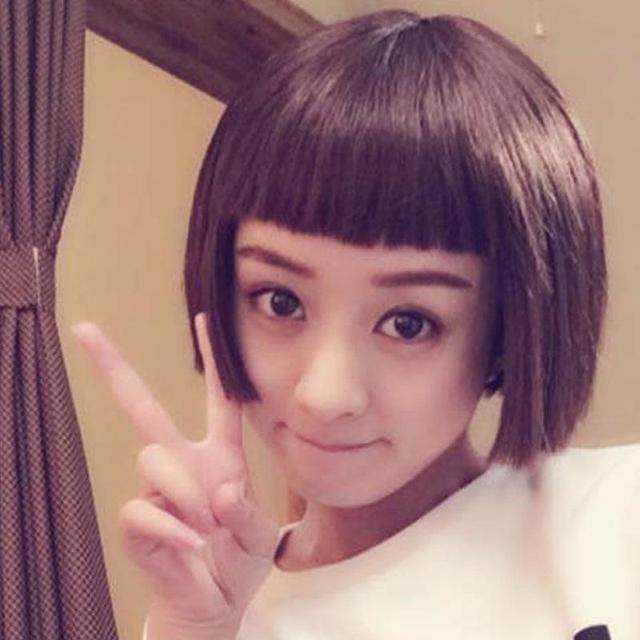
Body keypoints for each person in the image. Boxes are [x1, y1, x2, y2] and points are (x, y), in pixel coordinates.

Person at [72, 9, 640, 640]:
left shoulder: (617, 517)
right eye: (280, 302)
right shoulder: (220, 609)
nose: (326, 395)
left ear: (509, 330)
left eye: (408, 323)